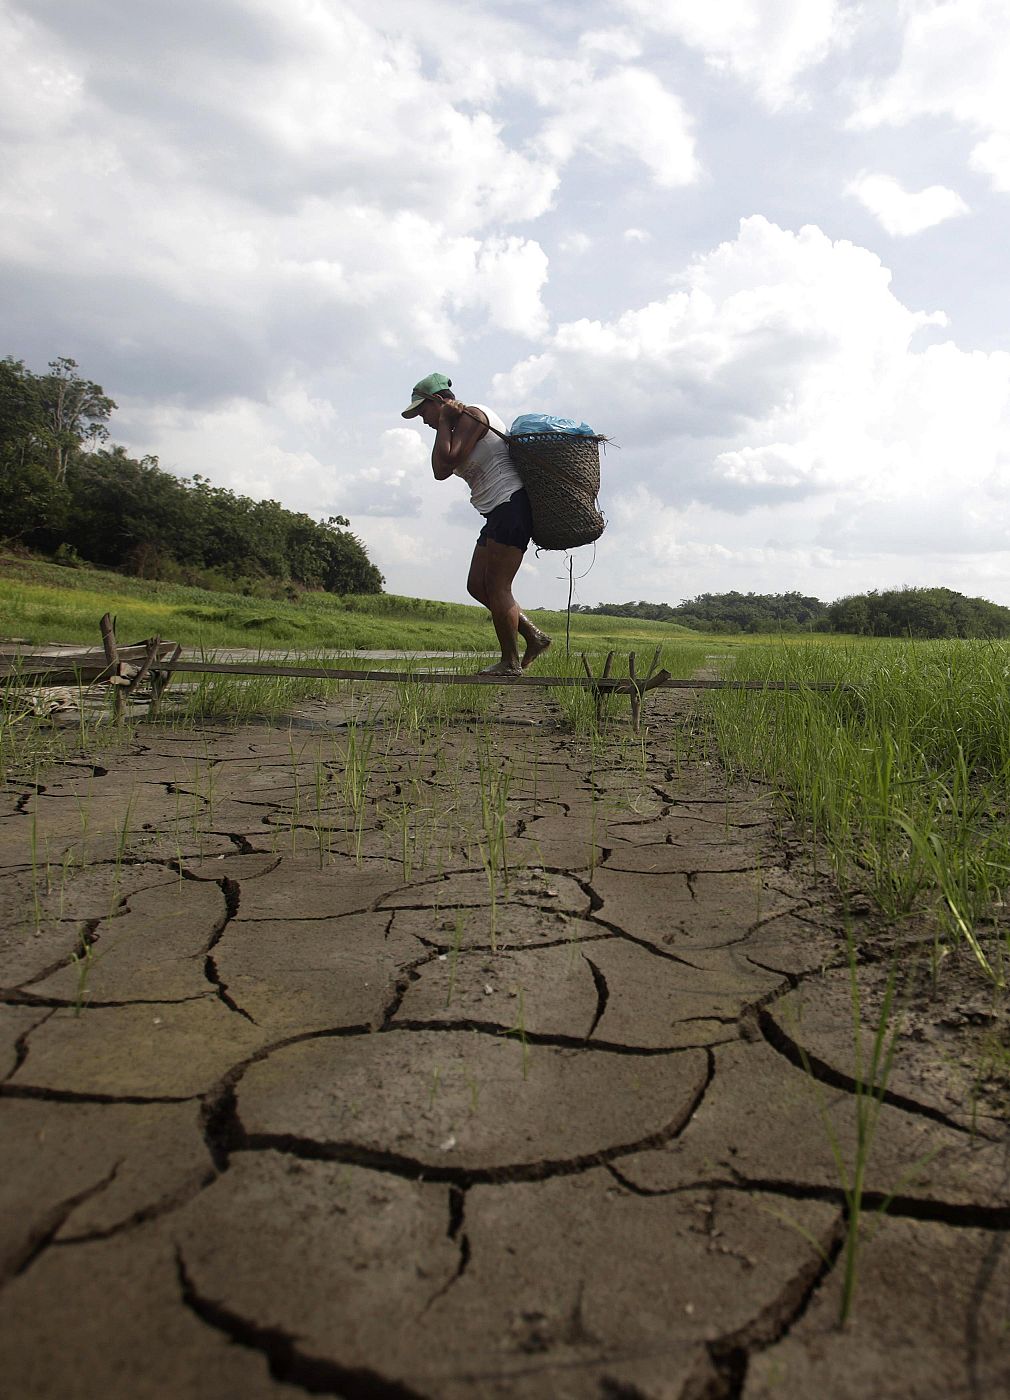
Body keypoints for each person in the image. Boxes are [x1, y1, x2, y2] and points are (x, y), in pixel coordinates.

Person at [401, 372, 551, 676]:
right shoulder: (459, 422)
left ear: (437, 401)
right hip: (498, 512)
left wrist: (444, 422)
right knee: (476, 585)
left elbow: (444, 466)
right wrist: (444, 422)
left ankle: (510, 662)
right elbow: (441, 468)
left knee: (498, 586)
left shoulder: (471, 416)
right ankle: (534, 637)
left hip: (511, 506)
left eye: (423, 411)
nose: (423, 419)